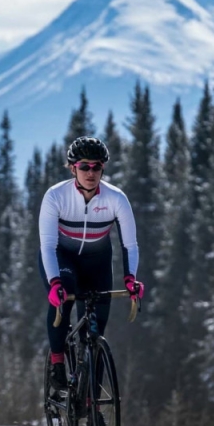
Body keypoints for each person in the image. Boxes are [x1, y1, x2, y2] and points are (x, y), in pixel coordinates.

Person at [38, 136, 144, 393]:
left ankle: (93, 405)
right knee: (63, 298)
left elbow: (130, 245)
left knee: (96, 333)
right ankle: (57, 362)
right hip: (62, 258)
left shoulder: (116, 199)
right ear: (72, 167)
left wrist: (130, 278)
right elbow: (48, 246)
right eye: (84, 166)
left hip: (97, 264)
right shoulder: (56, 196)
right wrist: (54, 283)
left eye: (97, 166)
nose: (91, 172)